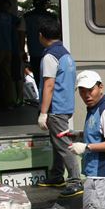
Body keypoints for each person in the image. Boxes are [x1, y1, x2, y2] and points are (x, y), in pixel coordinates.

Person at [36, 16, 82, 197]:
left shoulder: (50, 56)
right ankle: (56, 175)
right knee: (57, 142)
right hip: (66, 105)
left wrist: (43, 112)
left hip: (56, 108)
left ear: (41, 35)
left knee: (63, 145)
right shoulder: (65, 54)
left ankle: (75, 180)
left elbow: (49, 85)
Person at [69, 70, 105, 209]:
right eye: (82, 91)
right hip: (94, 175)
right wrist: (79, 135)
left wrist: (87, 147)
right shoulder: (94, 109)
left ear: (100, 87)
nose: (86, 95)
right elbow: (100, 134)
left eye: (90, 90)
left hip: (104, 178)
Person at [24, 0, 55, 80]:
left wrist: (22, 51)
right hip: (51, 52)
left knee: (38, 80)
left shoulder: (27, 17)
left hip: (34, 53)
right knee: (50, 79)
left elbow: (21, 35)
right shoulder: (52, 17)